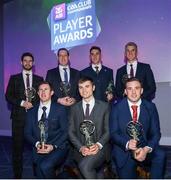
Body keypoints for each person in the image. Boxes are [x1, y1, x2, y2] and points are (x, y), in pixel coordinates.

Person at [110, 77, 165, 178]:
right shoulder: (116, 108)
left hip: (144, 145)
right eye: (130, 89)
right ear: (125, 91)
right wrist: (127, 144)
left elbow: (156, 133)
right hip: (124, 149)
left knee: (160, 155)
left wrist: (146, 149)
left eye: (137, 88)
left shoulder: (150, 107)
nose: (133, 92)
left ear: (142, 90)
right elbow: (113, 133)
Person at [5, 52, 43, 178]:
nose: (28, 63)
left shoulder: (39, 79)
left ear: (33, 63)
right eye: (25, 61)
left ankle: (37, 174)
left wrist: (35, 104)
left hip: (34, 120)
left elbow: (42, 97)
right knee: (17, 149)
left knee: (37, 149)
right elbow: (8, 96)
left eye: (30, 61)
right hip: (18, 119)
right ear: (21, 62)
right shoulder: (14, 78)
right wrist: (22, 103)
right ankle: (18, 175)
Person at [24, 81, 68, 178]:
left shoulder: (60, 109)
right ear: (38, 93)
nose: (43, 92)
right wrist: (37, 144)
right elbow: (27, 133)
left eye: (46, 89)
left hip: (57, 146)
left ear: (52, 92)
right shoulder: (31, 112)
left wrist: (52, 146)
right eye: (41, 90)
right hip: (39, 148)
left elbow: (66, 132)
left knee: (45, 166)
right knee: (39, 173)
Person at [69, 76, 110, 178]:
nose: (84, 90)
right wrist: (81, 147)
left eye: (87, 86)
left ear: (93, 87)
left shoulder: (105, 106)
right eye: (81, 87)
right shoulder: (74, 108)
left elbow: (108, 130)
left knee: (85, 167)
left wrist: (98, 145)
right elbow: (71, 132)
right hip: (81, 150)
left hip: (100, 149)